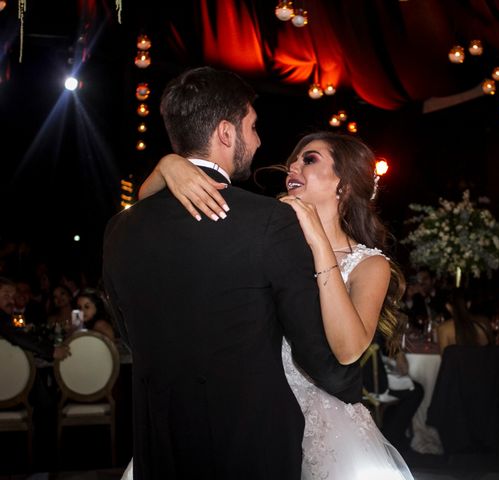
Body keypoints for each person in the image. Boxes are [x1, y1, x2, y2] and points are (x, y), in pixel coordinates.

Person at [103, 67, 361, 480]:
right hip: (249, 448)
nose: (258, 140)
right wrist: (352, 390)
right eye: (253, 126)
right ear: (226, 133)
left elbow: (126, 332)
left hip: (160, 446)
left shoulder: (119, 229)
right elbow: (313, 349)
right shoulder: (270, 222)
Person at [135, 130, 415, 478]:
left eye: (309, 159)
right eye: (293, 160)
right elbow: (143, 213)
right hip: (246, 407)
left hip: (321, 420)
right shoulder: (269, 235)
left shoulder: (369, 265)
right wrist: (168, 166)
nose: (293, 166)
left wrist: (318, 241)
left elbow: (347, 350)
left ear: (343, 184)